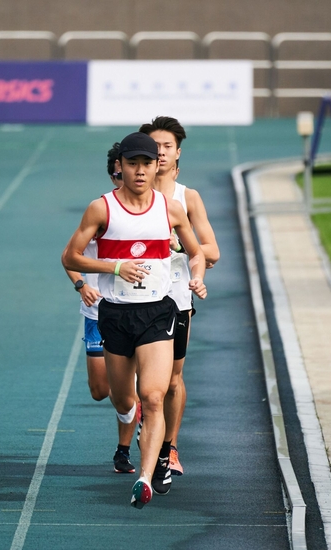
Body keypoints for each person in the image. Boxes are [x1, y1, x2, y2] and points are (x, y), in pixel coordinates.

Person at [62, 132, 207, 509]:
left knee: (154, 396)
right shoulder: (101, 209)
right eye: (132, 164)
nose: (140, 171)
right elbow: (71, 257)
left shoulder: (171, 209)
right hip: (114, 313)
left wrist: (198, 276)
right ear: (121, 167)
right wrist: (115, 267)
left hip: (158, 312)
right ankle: (134, 426)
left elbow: (197, 252)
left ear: (156, 166)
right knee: (122, 398)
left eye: (147, 164)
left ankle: (146, 474)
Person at [138, 116, 220, 479]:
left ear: (177, 152)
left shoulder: (187, 198)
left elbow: (212, 251)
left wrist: (179, 246)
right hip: (134, 298)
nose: (160, 151)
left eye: (166, 146)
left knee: (171, 379)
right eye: (153, 146)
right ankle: (144, 421)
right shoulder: (132, 195)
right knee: (137, 381)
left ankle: (168, 447)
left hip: (175, 297)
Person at [62, 143, 136, 474]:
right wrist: (82, 285)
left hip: (141, 311)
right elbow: (69, 257)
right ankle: (133, 406)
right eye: (120, 174)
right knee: (100, 391)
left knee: (141, 391)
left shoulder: (154, 211)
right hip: (98, 314)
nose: (127, 179)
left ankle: (124, 448)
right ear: (113, 174)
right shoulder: (101, 211)